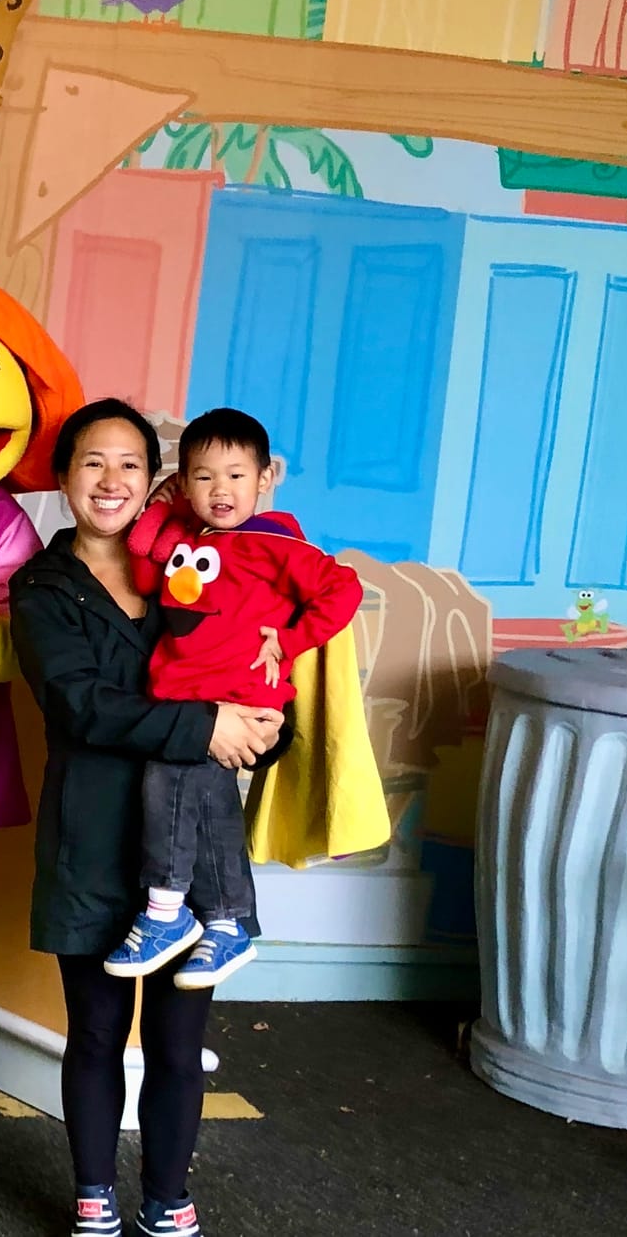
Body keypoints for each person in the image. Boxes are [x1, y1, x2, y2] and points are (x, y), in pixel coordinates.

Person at [9, 400, 283, 1237]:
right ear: (63, 478)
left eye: (129, 462)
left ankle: (169, 1195)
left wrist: (266, 728)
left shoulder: (194, 574)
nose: (111, 480)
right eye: (92, 462)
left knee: (177, 1041)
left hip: (191, 854)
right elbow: (83, 706)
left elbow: (250, 672)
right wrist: (210, 726)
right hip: (90, 843)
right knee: (95, 1033)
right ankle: (94, 1192)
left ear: (155, 478)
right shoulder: (41, 588)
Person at [105, 407, 362, 991]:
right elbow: (146, 575)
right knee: (210, 802)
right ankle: (225, 923)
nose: (220, 490)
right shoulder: (191, 541)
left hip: (230, 696)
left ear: (265, 477)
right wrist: (163, 508)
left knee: (167, 786)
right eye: (203, 476)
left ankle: (167, 912)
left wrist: (290, 640)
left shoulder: (272, 542)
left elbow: (341, 589)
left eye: (235, 475)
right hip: (187, 696)